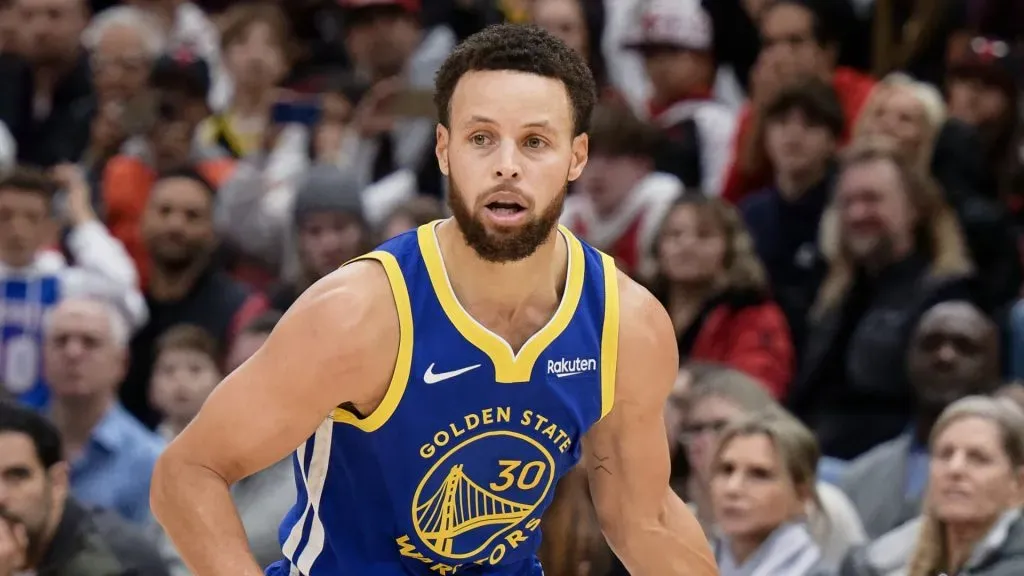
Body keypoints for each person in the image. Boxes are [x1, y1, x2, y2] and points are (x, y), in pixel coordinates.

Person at [151, 23, 716, 576]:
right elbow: (188, 472)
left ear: (577, 157)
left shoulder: (625, 323)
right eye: (481, 138)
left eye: (536, 142)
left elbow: (647, 521)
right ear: (444, 150)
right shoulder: (360, 313)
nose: (507, 165)